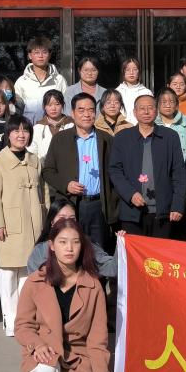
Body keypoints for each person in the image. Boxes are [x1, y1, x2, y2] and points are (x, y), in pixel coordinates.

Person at [15, 218, 116, 372]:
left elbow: (97, 338)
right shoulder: (35, 281)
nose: (69, 248)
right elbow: (23, 325)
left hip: (79, 359)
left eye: (75, 242)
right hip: (44, 353)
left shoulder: (93, 286)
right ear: (52, 246)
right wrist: (37, 345)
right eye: (63, 242)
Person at [0, 115, 44, 337]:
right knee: (9, 273)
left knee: (27, 273)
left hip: (33, 223)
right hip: (10, 224)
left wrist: (44, 218)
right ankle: (9, 319)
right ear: (8, 134)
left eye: (25, 130)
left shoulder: (34, 159)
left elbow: (43, 192)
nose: (21, 135)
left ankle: (25, 318)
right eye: (16, 131)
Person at [42, 94, 114, 253]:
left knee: (98, 252)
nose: (87, 114)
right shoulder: (60, 139)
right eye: (81, 110)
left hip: (99, 205)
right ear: (73, 113)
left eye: (91, 110)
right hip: (71, 205)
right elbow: (48, 171)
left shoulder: (106, 139)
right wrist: (66, 185)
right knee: (71, 250)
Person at [108, 95, 186, 238]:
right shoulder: (122, 138)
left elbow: (179, 172)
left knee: (160, 251)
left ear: (156, 111)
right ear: (134, 112)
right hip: (132, 212)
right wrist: (130, 194)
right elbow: (115, 170)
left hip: (163, 212)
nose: (146, 112)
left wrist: (177, 205)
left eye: (150, 108)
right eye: (142, 108)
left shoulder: (170, 137)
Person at [26, 198, 116, 278]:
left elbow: (111, 268)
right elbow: (34, 283)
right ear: (52, 222)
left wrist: (120, 246)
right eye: (61, 218)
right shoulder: (40, 251)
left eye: (72, 219)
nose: (67, 222)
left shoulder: (87, 244)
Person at [14, 36, 68, 123]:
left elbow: (66, 106)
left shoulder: (59, 80)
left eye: (44, 52)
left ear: (49, 55)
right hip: (29, 127)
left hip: (55, 127)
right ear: (29, 55)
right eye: (36, 52)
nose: (40, 56)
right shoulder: (21, 81)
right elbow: (17, 109)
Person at [30, 90, 75, 163]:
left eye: (57, 104)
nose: (53, 108)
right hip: (43, 167)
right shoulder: (37, 128)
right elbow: (32, 152)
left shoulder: (72, 125)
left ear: (62, 105)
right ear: (44, 106)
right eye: (49, 105)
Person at [155, 87, 186, 160]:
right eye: (164, 102)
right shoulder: (153, 125)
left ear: (176, 105)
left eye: (171, 102)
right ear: (157, 104)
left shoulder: (185, 125)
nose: (168, 105)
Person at [115, 57, 153, 125]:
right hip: (121, 127)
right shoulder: (117, 92)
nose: (131, 72)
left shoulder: (146, 92)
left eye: (135, 69)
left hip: (141, 127)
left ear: (139, 72)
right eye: (128, 69)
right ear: (123, 72)